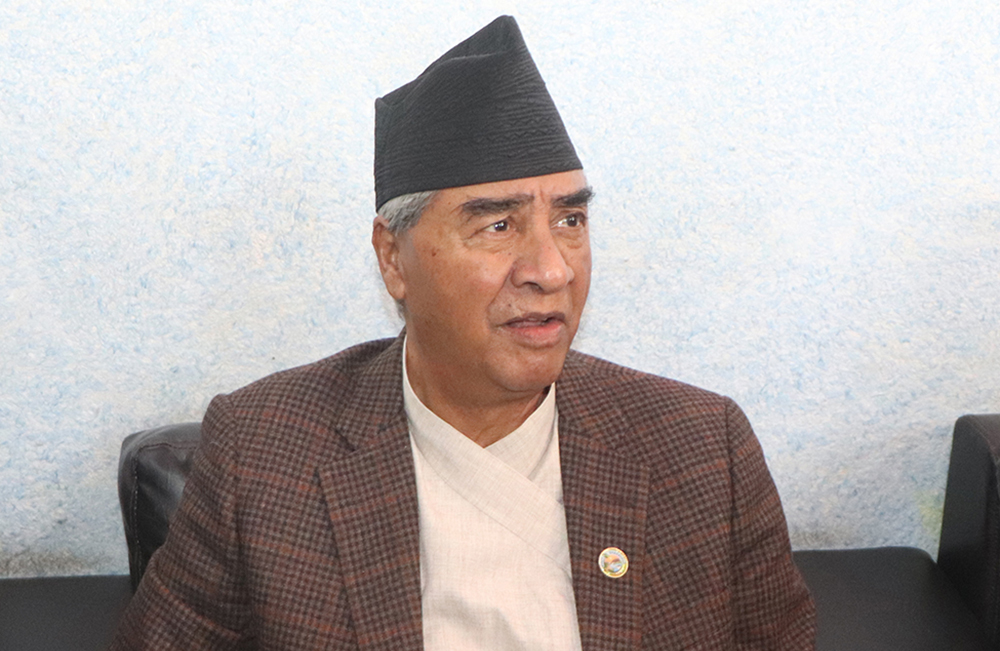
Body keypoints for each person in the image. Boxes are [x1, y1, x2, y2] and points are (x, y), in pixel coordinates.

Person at [112, 15, 816, 650]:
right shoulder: (264, 455)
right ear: (394, 258)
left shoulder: (702, 450)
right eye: (498, 225)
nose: (551, 269)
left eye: (570, 220)